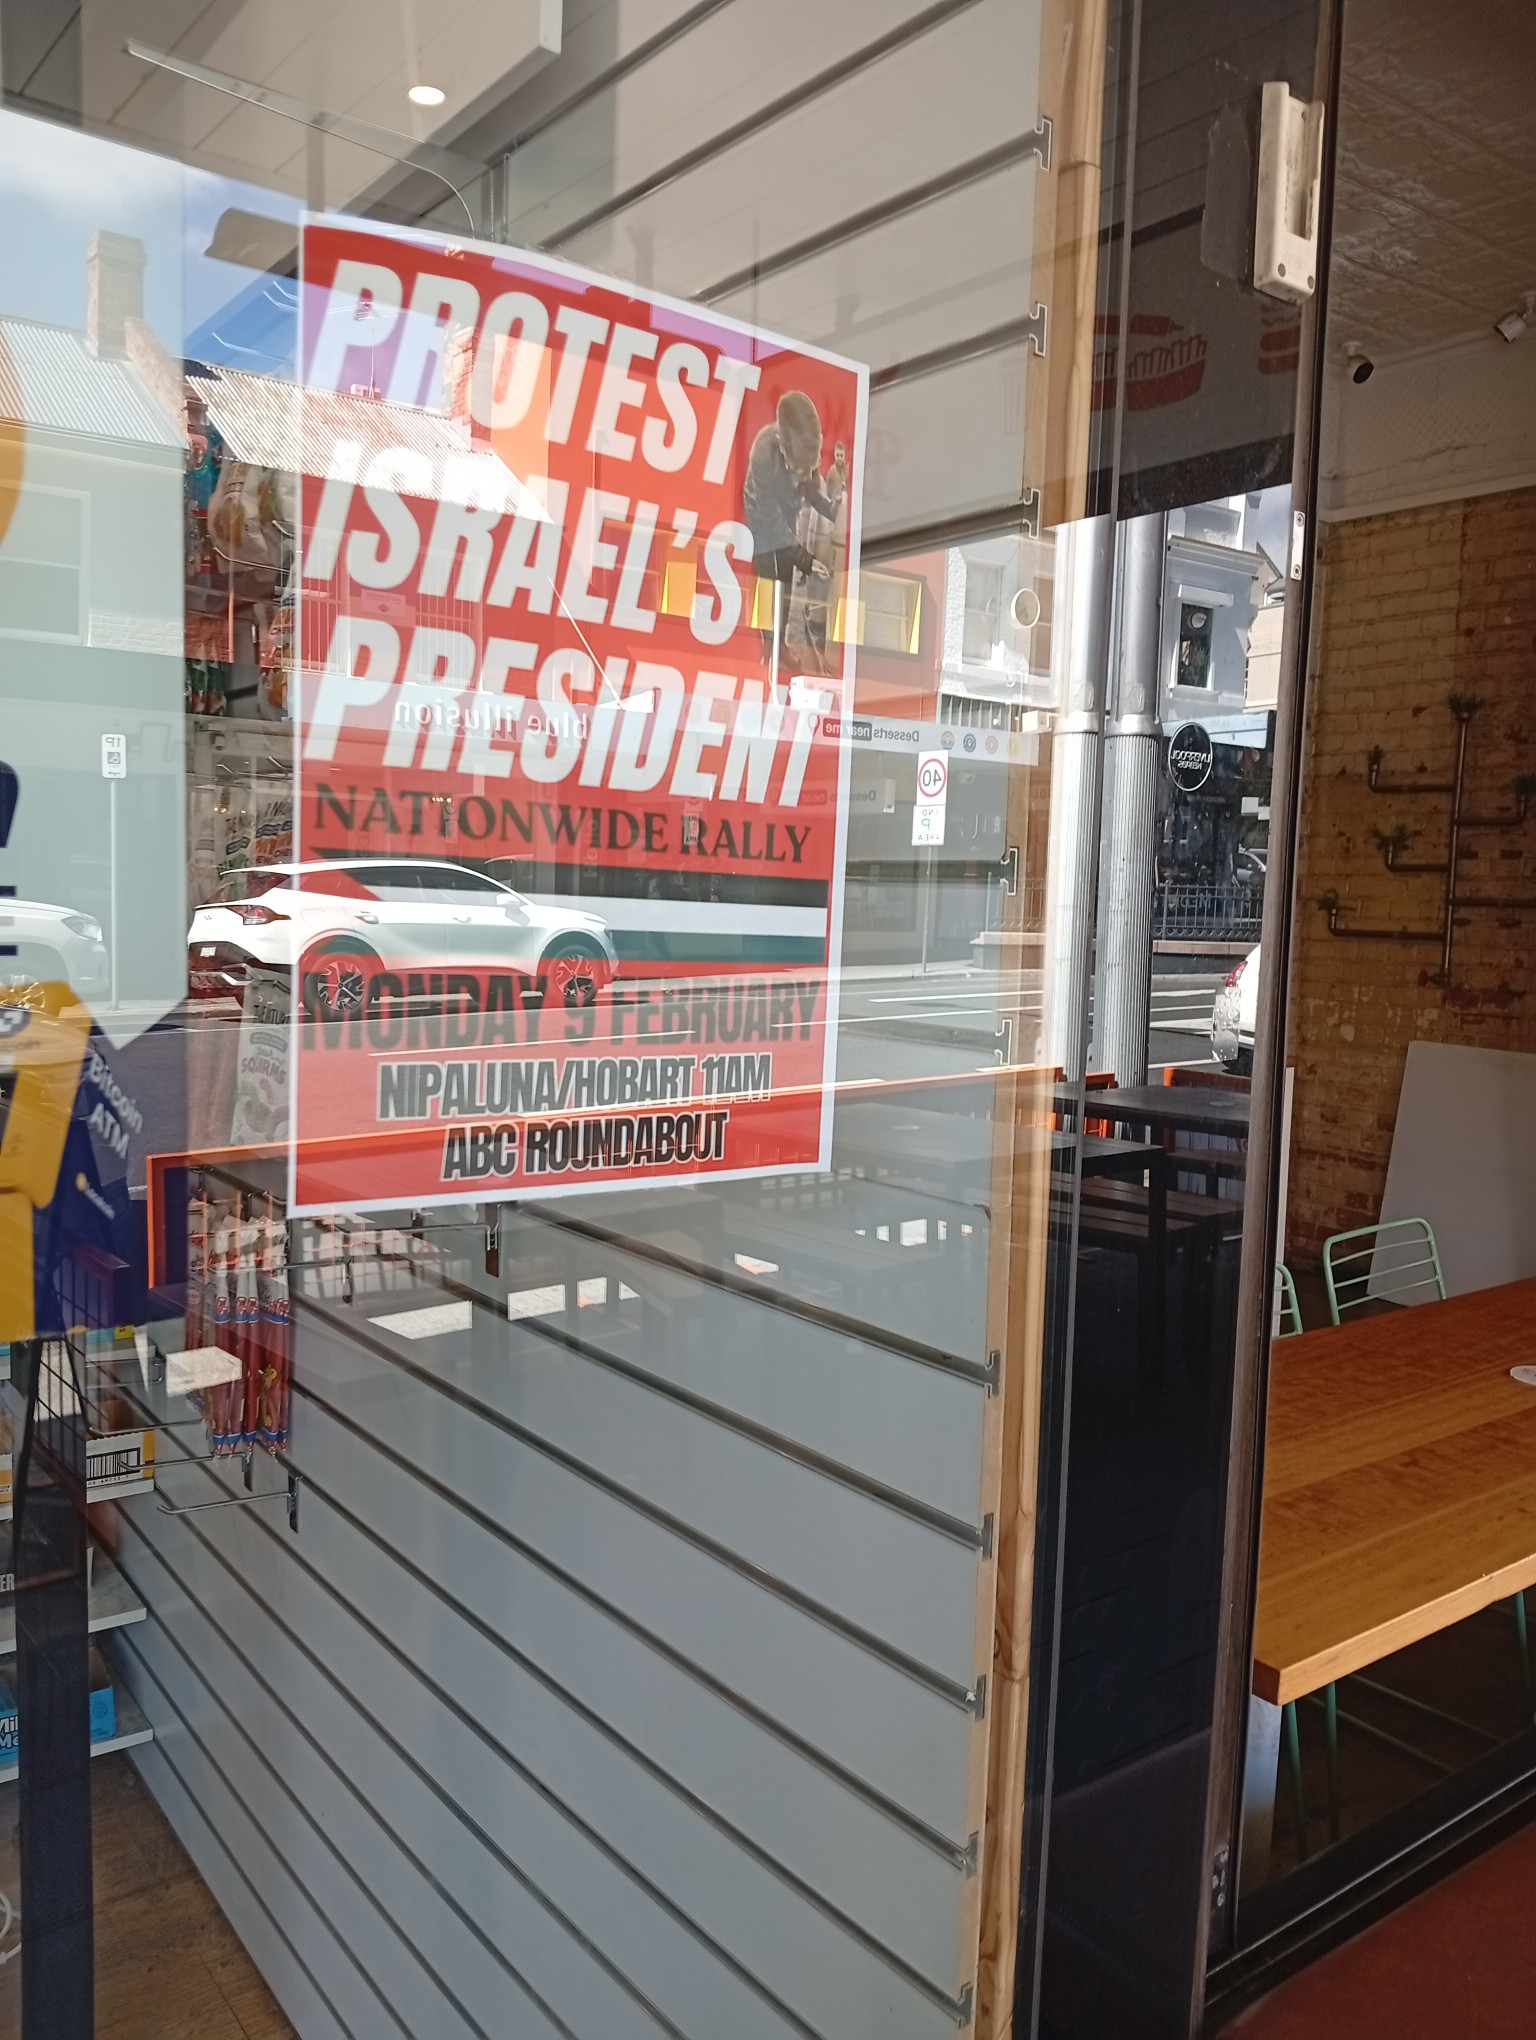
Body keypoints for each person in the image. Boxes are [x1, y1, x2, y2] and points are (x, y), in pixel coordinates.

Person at [743, 391, 839, 666]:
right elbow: (775, 528)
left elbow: (811, 491)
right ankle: (767, 645)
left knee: (785, 575)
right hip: (761, 511)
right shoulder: (762, 453)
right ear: (783, 449)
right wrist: (807, 560)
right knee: (767, 574)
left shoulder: (808, 451)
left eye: (809, 470)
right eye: (798, 471)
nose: (803, 478)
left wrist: (832, 510)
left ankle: (781, 642)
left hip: (788, 508)